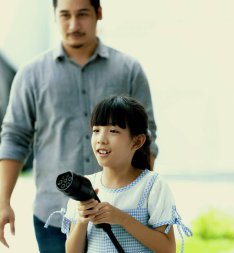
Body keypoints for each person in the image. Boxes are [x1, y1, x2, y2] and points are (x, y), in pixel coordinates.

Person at [0, 0, 158, 252]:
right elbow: (14, 138)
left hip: (117, 211)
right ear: (55, 16)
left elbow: (146, 136)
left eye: (82, 14)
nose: (73, 24)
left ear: (98, 13)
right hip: (54, 215)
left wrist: (142, 200)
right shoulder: (30, 75)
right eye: (65, 15)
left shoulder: (128, 70)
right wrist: (3, 202)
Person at [60, 95, 191, 253]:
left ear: (137, 142)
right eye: (96, 130)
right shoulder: (86, 185)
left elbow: (168, 249)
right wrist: (82, 221)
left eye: (113, 131)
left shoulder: (152, 185)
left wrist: (122, 219)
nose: (101, 139)